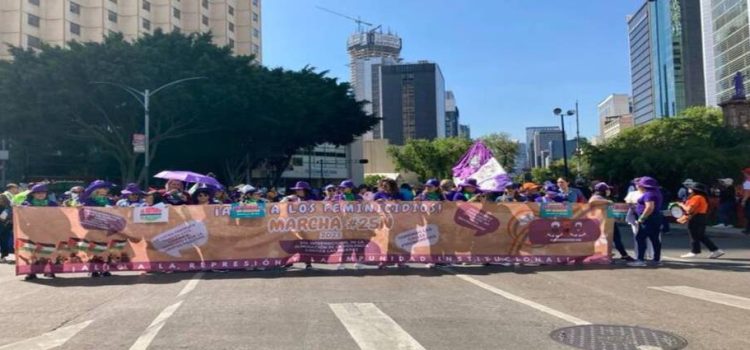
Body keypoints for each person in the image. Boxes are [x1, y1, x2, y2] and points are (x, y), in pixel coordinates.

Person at [676, 183, 725, 259]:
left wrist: (681, 205)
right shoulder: (702, 197)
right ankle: (715, 250)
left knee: (694, 235)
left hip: (695, 218)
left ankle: (694, 251)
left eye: (690, 188)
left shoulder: (696, 197)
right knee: (700, 235)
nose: (689, 190)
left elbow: (689, 209)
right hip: (701, 217)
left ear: (694, 190)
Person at [21, 183, 58, 280]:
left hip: (48, 231)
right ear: (33, 194)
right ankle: (31, 272)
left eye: (43, 192)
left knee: (49, 251)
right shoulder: (26, 204)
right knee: (33, 252)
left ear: (46, 194)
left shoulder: (52, 204)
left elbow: (60, 216)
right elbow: (21, 216)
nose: (41, 194)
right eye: (38, 193)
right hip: (33, 231)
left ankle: (50, 271)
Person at [589, 183, 634, 262]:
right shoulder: (596, 197)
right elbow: (592, 202)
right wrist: (607, 201)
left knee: (615, 239)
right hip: (603, 222)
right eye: (607, 189)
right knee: (612, 239)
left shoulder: (601, 197)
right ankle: (621, 255)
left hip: (609, 221)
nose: (608, 191)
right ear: (603, 190)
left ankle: (623, 254)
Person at [627, 176, 663, 267]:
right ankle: (656, 259)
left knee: (640, 238)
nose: (638, 186)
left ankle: (640, 260)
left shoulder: (648, 194)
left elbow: (649, 207)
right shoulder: (657, 192)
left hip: (648, 219)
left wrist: (641, 218)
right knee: (655, 239)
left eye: (640, 185)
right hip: (655, 218)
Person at [0, 195, 14, 264]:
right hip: (6, 226)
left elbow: (3, 217)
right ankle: (3, 257)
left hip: (5, 226)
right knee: (4, 242)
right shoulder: (9, 207)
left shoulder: (8, 208)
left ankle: (3, 257)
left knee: (4, 242)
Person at [741, 168, 750, 234]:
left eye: (744, 173)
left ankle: (748, 229)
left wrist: (744, 200)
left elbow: (747, 192)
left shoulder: (748, 181)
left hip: (748, 199)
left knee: (748, 214)